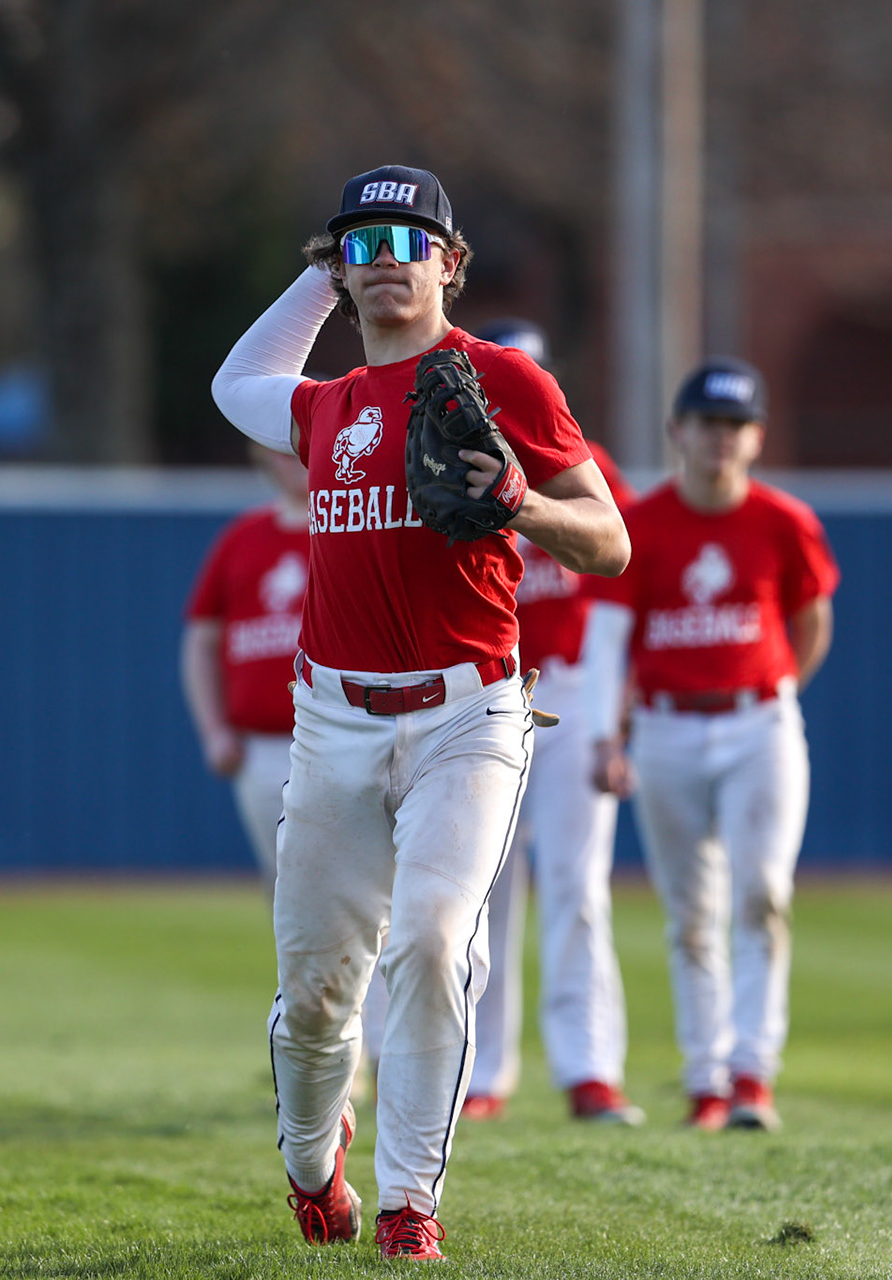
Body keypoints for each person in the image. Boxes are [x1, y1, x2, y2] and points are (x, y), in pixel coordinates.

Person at [210, 165, 629, 1260]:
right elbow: (233, 382)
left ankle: (408, 1199)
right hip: (333, 721)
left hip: (469, 712)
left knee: (439, 940)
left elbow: (612, 539)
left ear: (450, 261)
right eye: (360, 242)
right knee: (315, 995)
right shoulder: (325, 407)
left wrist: (521, 503)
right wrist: (317, 276)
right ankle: (315, 1164)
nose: (385, 254)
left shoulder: (502, 384)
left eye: (407, 236)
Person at [580, 358, 837, 1133]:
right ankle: (706, 1082)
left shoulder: (783, 520)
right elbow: (609, 637)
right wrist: (605, 734)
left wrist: (775, 687)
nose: (719, 440)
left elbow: (812, 621)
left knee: (763, 896)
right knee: (691, 912)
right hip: (664, 725)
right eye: (706, 424)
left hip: (759, 720)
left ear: (755, 438)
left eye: (734, 427)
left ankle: (752, 1074)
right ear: (677, 432)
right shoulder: (646, 523)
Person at [457, 319, 642, 1127]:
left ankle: (589, 1069)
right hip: (481, 688)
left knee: (576, 883)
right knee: (479, 890)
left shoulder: (583, 470)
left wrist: (615, 724)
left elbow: (620, 608)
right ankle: (481, 1072)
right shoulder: (447, 463)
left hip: (570, 685)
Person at [180, 442, 312, 886]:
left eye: (303, 449)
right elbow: (201, 643)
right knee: (285, 891)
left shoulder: (349, 531)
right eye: (281, 451)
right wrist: (214, 731)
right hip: (262, 747)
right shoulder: (243, 536)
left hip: (342, 739)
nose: (293, 461)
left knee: (356, 890)